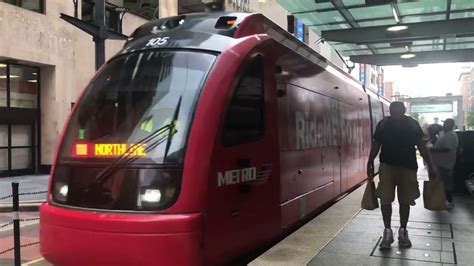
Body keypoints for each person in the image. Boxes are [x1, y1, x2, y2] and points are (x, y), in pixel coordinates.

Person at [367, 101, 436, 249]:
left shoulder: (411, 124)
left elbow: (421, 146)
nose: (396, 113)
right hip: (390, 166)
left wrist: (431, 166)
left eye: (398, 111)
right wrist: (370, 162)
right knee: (386, 199)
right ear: (390, 111)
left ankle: (402, 230)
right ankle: (388, 230)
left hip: (407, 167)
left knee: (404, 200)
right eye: (394, 111)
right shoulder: (384, 124)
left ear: (403, 110)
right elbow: (376, 145)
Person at [430, 119, 459, 208]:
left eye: (446, 124)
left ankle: (449, 201)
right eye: (444, 124)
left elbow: (447, 149)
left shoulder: (451, 135)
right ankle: (441, 200)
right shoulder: (444, 133)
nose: (444, 126)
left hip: (446, 164)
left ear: (451, 126)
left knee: (446, 183)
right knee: (441, 183)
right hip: (441, 163)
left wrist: (433, 149)